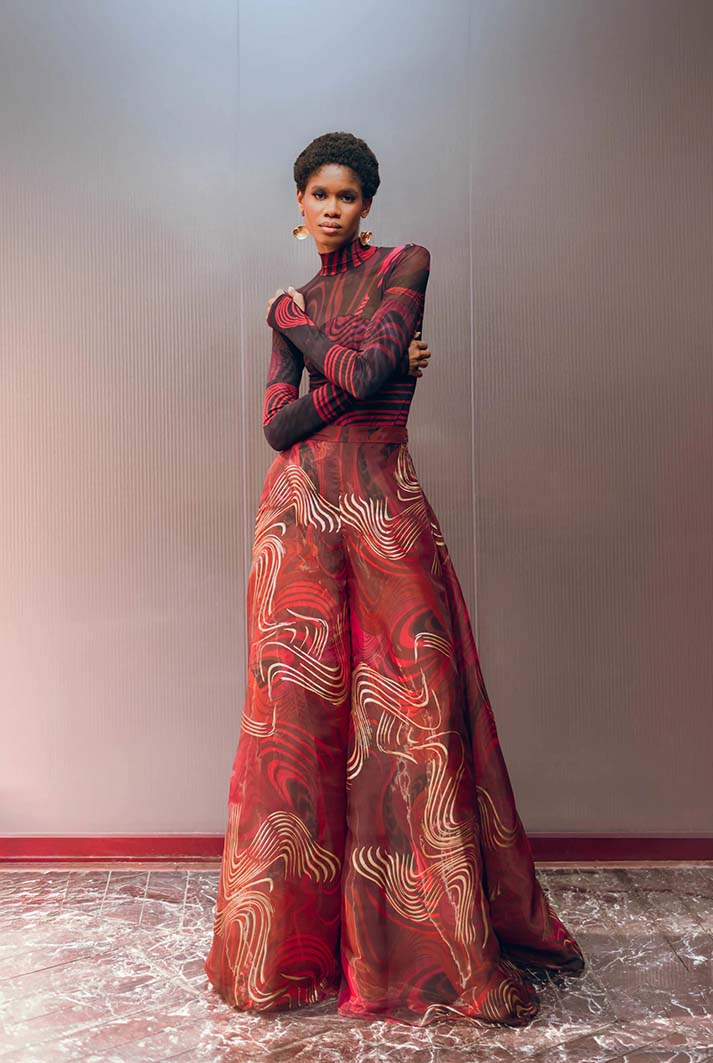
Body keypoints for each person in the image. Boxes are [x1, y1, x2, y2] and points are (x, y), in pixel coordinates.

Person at [204, 131, 585, 1028]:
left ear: (367, 204)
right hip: (298, 518)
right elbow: (278, 426)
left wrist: (303, 333)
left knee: (413, 717)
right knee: (296, 727)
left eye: (347, 196)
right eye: (319, 195)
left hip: (383, 509)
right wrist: (353, 368)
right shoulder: (301, 299)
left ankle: (423, 945)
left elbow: (366, 370)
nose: (332, 208)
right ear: (299, 205)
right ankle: (292, 951)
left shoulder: (401, 266)